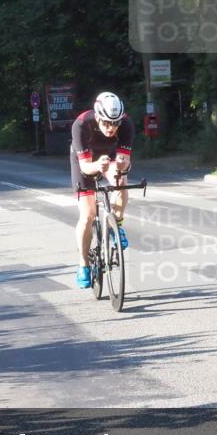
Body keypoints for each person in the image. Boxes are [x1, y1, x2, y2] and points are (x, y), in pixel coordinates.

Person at [71, 92, 134, 289]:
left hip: (110, 156)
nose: (111, 128)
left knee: (121, 180)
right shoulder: (81, 125)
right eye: (106, 123)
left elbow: (126, 163)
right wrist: (98, 165)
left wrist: (123, 166)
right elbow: (85, 168)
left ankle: (117, 225)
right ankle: (83, 263)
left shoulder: (127, 125)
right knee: (88, 215)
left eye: (115, 123)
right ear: (97, 117)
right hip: (86, 160)